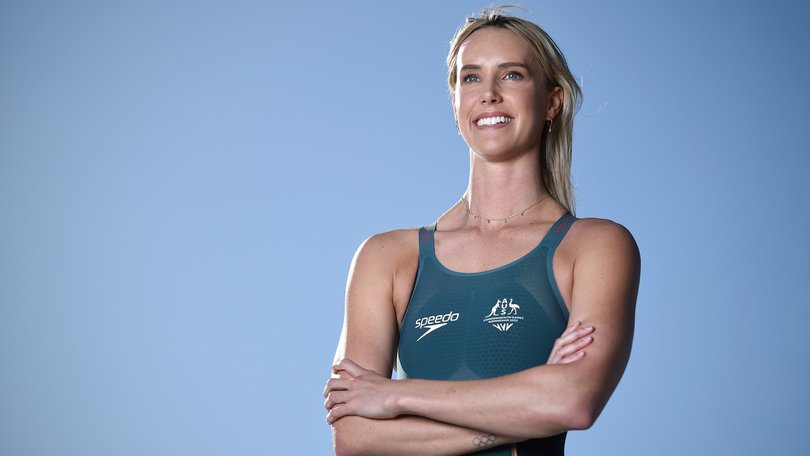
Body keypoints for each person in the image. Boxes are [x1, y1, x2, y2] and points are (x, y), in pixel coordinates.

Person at [323, 7, 640, 455]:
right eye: (470, 78)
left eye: (512, 75)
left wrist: (392, 395)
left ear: (552, 101)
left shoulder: (595, 246)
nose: (489, 94)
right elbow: (353, 438)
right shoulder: (387, 258)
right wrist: (526, 411)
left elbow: (573, 400)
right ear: (455, 103)